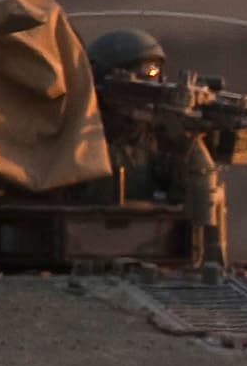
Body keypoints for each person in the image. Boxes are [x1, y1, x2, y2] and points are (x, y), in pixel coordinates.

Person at [89, 28, 230, 267]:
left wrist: (183, 133)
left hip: (151, 255)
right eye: (133, 77)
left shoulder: (156, 137)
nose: (147, 83)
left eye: (153, 75)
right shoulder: (79, 134)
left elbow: (197, 180)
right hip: (89, 250)